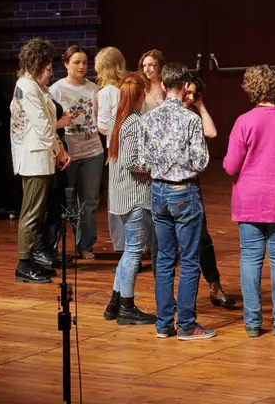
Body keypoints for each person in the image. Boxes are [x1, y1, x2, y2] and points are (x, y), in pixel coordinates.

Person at [223, 64, 275, 336]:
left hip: (249, 199)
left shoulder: (243, 121)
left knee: (250, 258)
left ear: (250, 89)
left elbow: (230, 166)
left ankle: (252, 322)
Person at [139, 62, 215, 340]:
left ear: (162, 85)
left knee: (164, 259)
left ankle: (163, 324)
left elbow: (142, 161)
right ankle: (186, 325)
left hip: (158, 191)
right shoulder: (191, 119)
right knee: (190, 260)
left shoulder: (148, 118)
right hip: (183, 191)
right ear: (185, 87)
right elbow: (201, 162)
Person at [11, 38, 69, 283]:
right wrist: (59, 151)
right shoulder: (27, 87)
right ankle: (24, 265)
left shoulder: (35, 86)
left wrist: (57, 149)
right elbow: (43, 126)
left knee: (38, 211)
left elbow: (47, 122)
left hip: (41, 156)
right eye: (47, 66)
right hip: (34, 158)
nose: (50, 71)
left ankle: (31, 260)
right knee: (32, 212)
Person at [104, 73, 156, 325]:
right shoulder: (135, 123)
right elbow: (131, 161)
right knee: (134, 251)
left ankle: (115, 303)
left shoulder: (117, 119)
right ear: (140, 95)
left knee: (129, 251)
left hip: (120, 193)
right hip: (134, 194)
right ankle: (127, 307)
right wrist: (155, 167)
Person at [183, 78, 236, 310]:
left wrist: (200, 105)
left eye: (193, 94)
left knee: (203, 239)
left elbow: (212, 132)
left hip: (190, 185)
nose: (188, 98)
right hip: (165, 186)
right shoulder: (165, 113)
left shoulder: (193, 116)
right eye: (187, 92)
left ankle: (215, 285)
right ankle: (167, 299)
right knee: (164, 246)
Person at [49, 45, 103, 259]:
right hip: (68, 152)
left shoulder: (93, 88)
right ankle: (55, 247)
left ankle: (85, 245)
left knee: (89, 202)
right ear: (66, 64)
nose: (81, 66)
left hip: (93, 151)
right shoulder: (56, 90)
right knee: (65, 202)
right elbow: (51, 123)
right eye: (76, 62)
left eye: (84, 62)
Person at [95, 46, 129, 251]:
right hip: (133, 148)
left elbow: (103, 127)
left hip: (116, 150)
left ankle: (121, 244)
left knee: (117, 198)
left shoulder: (106, 93)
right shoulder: (130, 87)